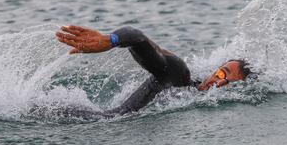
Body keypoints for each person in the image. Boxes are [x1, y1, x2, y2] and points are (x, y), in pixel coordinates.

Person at [55, 25, 252, 120]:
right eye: (220, 74)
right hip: (86, 119)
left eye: (228, 83)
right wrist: (110, 40)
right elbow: (138, 38)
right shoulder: (179, 76)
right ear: (214, 71)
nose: (218, 83)